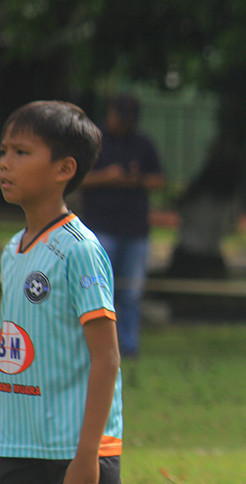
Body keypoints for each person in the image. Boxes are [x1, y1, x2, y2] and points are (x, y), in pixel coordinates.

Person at [0, 101, 174, 484]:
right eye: (5, 150)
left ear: (64, 169)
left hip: (78, 446)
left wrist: (87, 455)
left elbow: (107, 359)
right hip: (18, 442)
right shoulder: (12, 251)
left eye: (21, 152)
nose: (5, 162)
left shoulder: (79, 250)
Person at [80, 94, 164, 358]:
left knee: (130, 294)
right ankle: (95, 347)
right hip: (100, 229)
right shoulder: (94, 143)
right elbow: (76, 178)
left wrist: (135, 180)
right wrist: (107, 177)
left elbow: (159, 180)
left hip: (135, 231)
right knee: (97, 292)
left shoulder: (142, 143)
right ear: (110, 112)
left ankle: (128, 346)